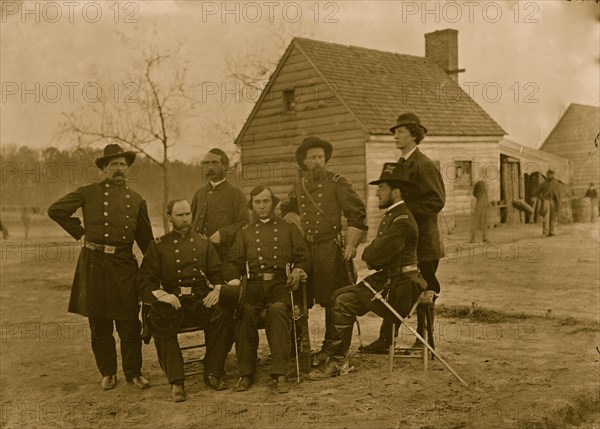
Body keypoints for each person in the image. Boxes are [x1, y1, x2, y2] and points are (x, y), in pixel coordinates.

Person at [48, 144, 154, 391]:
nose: (119, 169)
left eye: (123, 165)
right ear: (104, 169)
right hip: (94, 265)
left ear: (127, 169)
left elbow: (147, 241)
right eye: (114, 165)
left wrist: (158, 266)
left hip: (124, 265)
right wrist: (80, 234)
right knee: (99, 323)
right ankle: (107, 372)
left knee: (129, 322)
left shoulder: (137, 200)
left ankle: (134, 372)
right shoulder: (88, 193)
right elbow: (56, 210)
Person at [308, 163, 426, 380]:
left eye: (381, 189)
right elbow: (378, 252)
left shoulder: (402, 219)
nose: (377, 194)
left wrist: (370, 253)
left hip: (401, 287)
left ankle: (338, 362)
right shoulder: (394, 215)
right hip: (391, 280)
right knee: (337, 295)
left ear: (396, 191)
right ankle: (333, 353)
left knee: (344, 301)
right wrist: (373, 253)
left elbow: (376, 254)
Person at [361, 113, 445, 354]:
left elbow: (436, 201)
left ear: (414, 134)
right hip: (404, 242)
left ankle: (425, 340)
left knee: (424, 289)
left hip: (424, 243)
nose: (395, 135)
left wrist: (406, 212)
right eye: (394, 132)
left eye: (401, 131)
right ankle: (386, 340)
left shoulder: (424, 165)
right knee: (395, 287)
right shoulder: (401, 165)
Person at [137, 199, 233, 402]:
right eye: (180, 215)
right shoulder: (158, 246)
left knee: (223, 311)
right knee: (159, 317)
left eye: (188, 214)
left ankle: (213, 372)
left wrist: (216, 290)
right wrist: (164, 296)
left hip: (200, 300)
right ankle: (177, 381)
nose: (185, 219)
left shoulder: (203, 243)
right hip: (175, 303)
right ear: (169, 217)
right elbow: (146, 281)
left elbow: (217, 274)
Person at [283, 136, 367, 366]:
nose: (317, 161)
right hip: (307, 250)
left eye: (320, 157)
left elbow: (357, 213)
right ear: (304, 161)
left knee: (334, 299)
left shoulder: (338, 183)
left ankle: (333, 348)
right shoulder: (298, 187)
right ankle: (301, 347)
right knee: (301, 297)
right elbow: (286, 213)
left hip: (331, 249)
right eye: (312, 158)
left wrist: (351, 245)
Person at [224, 185, 310, 393]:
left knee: (278, 310)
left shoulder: (288, 228)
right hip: (253, 285)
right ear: (251, 205)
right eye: (257, 202)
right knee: (243, 311)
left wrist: (298, 271)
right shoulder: (245, 233)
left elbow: (304, 257)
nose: (262, 206)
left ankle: (280, 373)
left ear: (273, 203)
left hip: (281, 284)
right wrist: (233, 279)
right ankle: (246, 373)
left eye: (266, 201)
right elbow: (232, 261)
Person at [191, 148, 250, 264]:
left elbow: (244, 224)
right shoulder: (199, 194)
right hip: (198, 257)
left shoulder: (235, 194)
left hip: (224, 258)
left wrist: (223, 234)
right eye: (206, 163)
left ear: (225, 166)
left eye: (214, 163)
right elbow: (190, 221)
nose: (210, 167)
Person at [539, 170, 561, 237]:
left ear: (553, 175)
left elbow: (559, 194)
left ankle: (552, 231)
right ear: (546, 175)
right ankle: (545, 232)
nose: (550, 176)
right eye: (548, 174)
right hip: (546, 200)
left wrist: (559, 201)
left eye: (551, 174)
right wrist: (542, 198)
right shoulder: (543, 183)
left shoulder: (557, 183)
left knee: (554, 216)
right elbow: (537, 192)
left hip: (554, 201)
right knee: (546, 217)